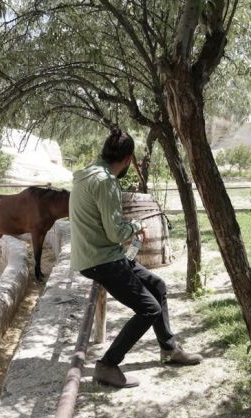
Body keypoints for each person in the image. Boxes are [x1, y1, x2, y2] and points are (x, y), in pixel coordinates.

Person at [69, 127, 202, 388]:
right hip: (102, 259)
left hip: (97, 255)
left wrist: (124, 225)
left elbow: (104, 224)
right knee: (148, 308)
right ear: (129, 158)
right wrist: (135, 226)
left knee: (157, 286)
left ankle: (169, 347)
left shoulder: (87, 175)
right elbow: (116, 232)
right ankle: (107, 365)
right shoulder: (106, 181)